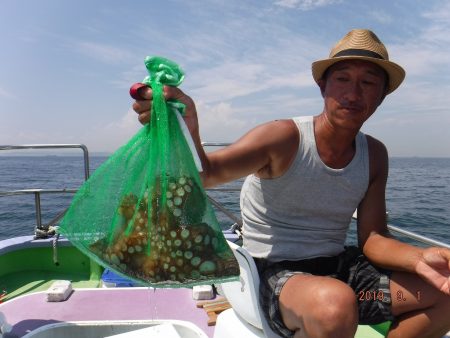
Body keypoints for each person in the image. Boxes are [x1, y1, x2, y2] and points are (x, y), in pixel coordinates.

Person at [131, 29, 450, 338]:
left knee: (444, 292)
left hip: (341, 273)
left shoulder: (375, 154)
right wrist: (185, 130)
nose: (353, 94)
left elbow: (374, 238)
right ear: (323, 86)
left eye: (368, 83)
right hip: (273, 276)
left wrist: (419, 258)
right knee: (335, 305)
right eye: (342, 79)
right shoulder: (283, 138)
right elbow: (206, 174)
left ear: (382, 96)